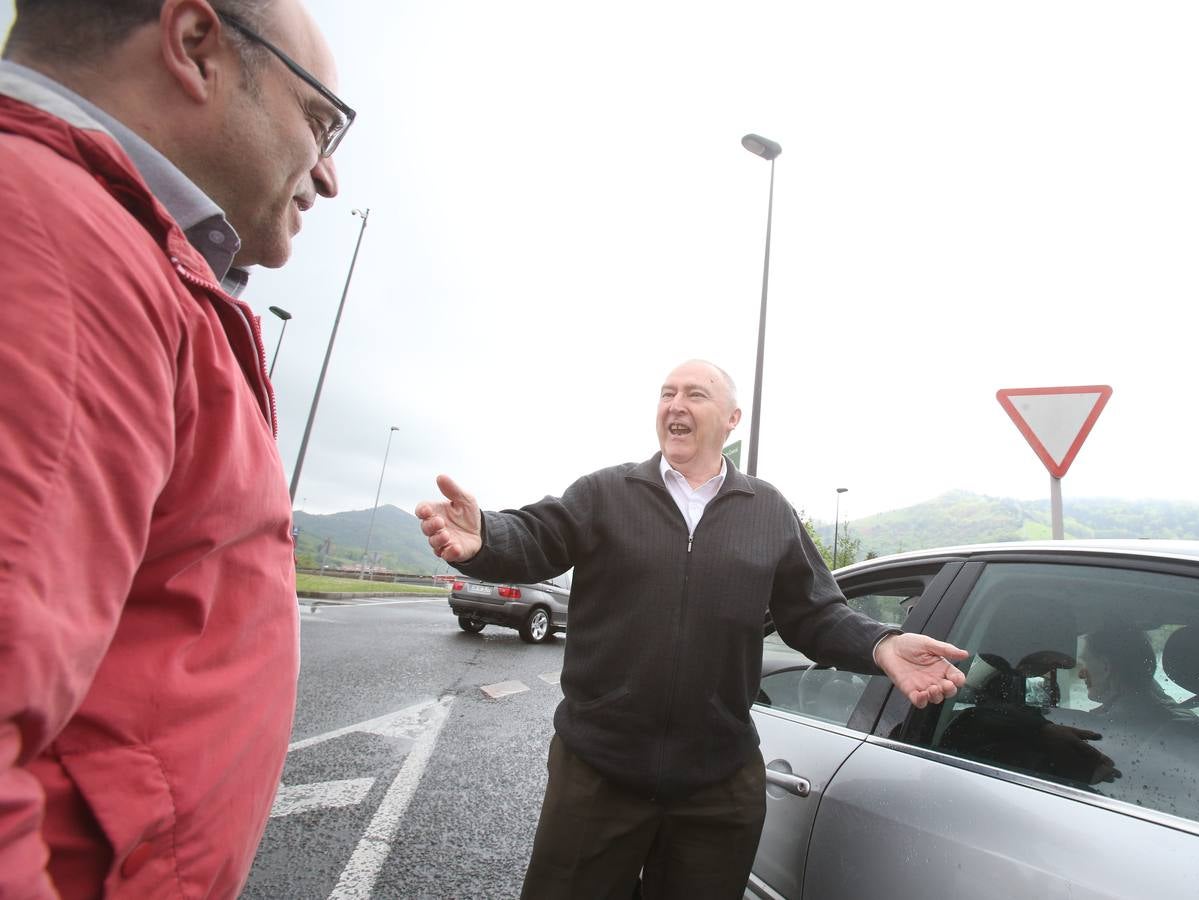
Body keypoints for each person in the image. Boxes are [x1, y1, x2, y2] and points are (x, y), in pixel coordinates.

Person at [0, 1, 345, 895]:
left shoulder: (115, 247)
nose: (331, 175)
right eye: (319, 120)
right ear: (196, 48)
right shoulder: (54, 242)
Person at [416, 359, 969, 900]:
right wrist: (485, 536)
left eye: (695, 394)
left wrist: (883, 643)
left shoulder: (768, 510)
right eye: (666, 393)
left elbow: (815, 612)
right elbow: (536, 535)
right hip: (598, 775)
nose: (675, 405)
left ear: (731, 420)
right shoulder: (606, 493)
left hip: (718, 786)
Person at [1078, 626, 1195, 728]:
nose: (1081, 674)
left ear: (1105, 666)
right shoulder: (1187, 722)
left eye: (1085, 663)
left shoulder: (1098, 731)